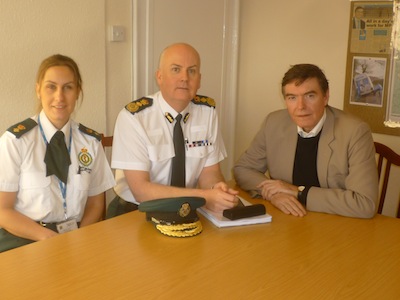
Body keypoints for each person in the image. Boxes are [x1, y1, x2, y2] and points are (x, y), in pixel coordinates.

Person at [107, 42, 238, 218]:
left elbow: (210, 172)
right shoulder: (134, 117)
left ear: (199, 79)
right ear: (159, 76)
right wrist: (205, 196)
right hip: (135, 212)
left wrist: (216, 188)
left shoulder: (207, 113)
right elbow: (141, 190)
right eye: (176, 69)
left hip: (186, 209)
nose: (185, 78)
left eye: (191, 71)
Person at [0, 54, 115, 252]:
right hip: (25, 241)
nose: (59, 97)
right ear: (38, 90)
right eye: (51, 86)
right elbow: (3, 211)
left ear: (78, 92)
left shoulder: (90, 142)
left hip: (77, 238)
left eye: (68, 87)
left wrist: (80, 238)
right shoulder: (15, 141)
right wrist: (50, 239)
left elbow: (96, 202)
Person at [233, 64, 378, 219]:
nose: (301, 107)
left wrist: (298, 192)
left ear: (325, 96)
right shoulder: (273, 123)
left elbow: (365, 204)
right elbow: (243, 169)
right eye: (292, 98)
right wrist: (273, 194)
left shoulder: (355, 132)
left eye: (310, 96)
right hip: (288, 219)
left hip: (336, 223)